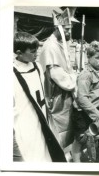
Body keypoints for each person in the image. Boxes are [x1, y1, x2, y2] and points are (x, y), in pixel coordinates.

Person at [13, 32, 66, 162]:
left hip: (41, 116)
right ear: (19, 53)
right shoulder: (12, 73)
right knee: (31, 152)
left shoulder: (37, 67)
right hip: (25, 121)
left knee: (46, 150)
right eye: (32, 52)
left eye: (37, 50)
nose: (36, 54)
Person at [38, 8, 78, 153]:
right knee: (59, 127)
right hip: (56, 94)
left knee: (67, 125)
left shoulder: (60, 43)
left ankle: (65, 152)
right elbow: (56, 74)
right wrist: (74, 78)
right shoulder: (50, 46)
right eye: (67, 29)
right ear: (58, 28)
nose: (69, 33)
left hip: (64, 93)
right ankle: (59, 155)